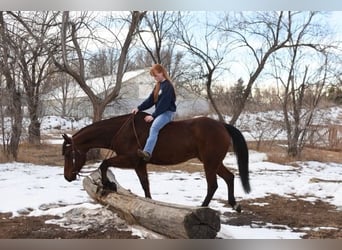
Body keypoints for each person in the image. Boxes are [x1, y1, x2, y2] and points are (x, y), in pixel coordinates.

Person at [132, 64, 177, 161]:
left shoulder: (168, 86)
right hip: (160, 113)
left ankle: (147, 152)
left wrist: (153, 116)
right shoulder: (158, 86)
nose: (155, 78)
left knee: (154, 127)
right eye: (154, 76)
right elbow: (150, 100)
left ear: (162, 73)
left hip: (167, 113)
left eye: (156, 75)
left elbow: (164, 104)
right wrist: (139, 108)